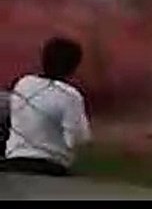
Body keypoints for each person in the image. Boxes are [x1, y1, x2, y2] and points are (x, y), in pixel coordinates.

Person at [2, 37, 92, 177]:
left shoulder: (23, 83)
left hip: (14, 160)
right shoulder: (70, 96)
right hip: (51, 166)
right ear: (74, 66)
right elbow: (76, 140)